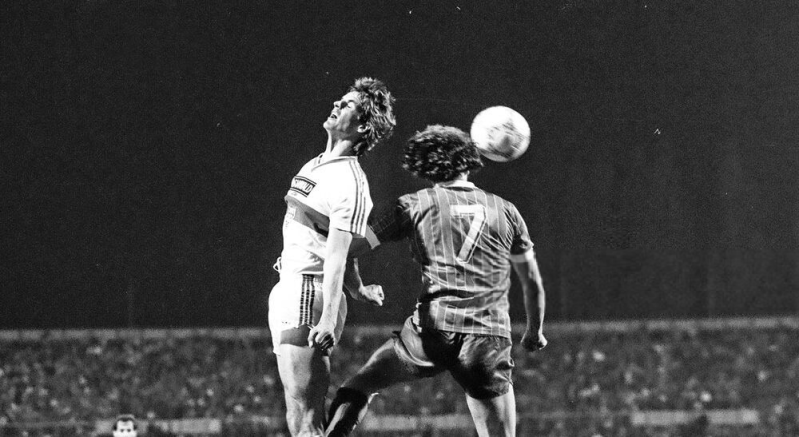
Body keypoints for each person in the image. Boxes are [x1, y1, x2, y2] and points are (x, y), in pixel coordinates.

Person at [325, 125, 548, 437]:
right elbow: (532, 282)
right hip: (486, 338)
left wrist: (357, 286)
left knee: (361, 385)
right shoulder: (506, 211)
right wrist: (534, 331)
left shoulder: (412, 205)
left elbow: (349, 249)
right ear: (469, 160)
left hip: (429, 334)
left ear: (423, 166)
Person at [267, 77, 395, 437]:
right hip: (291, 286)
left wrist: (326, 320)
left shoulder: (350, 182)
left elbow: (337, 255)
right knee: (296, 411)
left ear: (363, 126)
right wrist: (358, 289)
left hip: (309, 291)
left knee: (307, 417)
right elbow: (335, 241)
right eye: (340, 99)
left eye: (348, 104)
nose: (337, 104)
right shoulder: (316, 164)